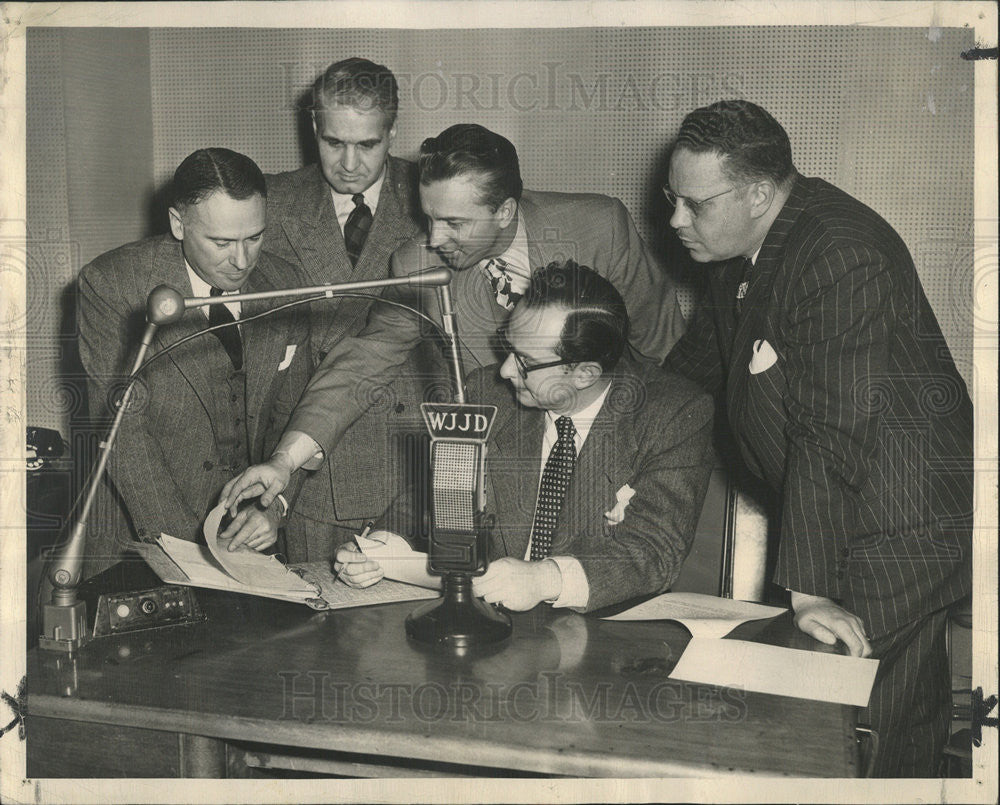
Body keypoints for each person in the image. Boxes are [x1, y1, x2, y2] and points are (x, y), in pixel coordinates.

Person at [660, 100, 973, 776]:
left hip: (899, 524)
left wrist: (806, 591)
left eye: (694, 203)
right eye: (670, 199)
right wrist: (608, 407)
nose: (676, 220)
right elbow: (692, 370)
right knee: (847, 722)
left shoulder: (841, 254)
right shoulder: (738, 245)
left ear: (760, 192)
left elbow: (830, 433)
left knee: (858, 730)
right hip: (851, 515)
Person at [221, 123, 687, 524]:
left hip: (609, 456)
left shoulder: (600, 229)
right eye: (429, 219)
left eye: (455, 223)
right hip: (504, 476)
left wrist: (643, 467)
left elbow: (662, 352)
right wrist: (285, 461)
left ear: (505, 211)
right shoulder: (417, 263)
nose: (435, 239)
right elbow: (363, 362)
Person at [334, 262, 714, 613]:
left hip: (600, 634)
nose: (504, 370)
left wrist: (544, 578)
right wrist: (380, 549)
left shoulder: (674, 414)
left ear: (584, 373)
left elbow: (653, 551)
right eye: (507, 345)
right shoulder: (484, 393)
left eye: (526, 362)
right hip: (487, 624)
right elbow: (434, 496)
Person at [77, 148, 312, 577]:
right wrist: (196, 558)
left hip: (247, 551)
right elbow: (127, 438)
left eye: (255, 237)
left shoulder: (287, 285)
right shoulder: (113, 285)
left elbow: (292, 414)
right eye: (221, 243)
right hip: (137, 548)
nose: (242, 261)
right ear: (177, 223)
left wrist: (274, 506)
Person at [262, 57, 428, 563]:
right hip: (309, 475)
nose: (350, 164)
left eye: (368, 144)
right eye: (334, 142)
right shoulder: (269, 203)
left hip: (416, 466)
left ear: (393, 131)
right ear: (314, 126)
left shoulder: (437, 197)